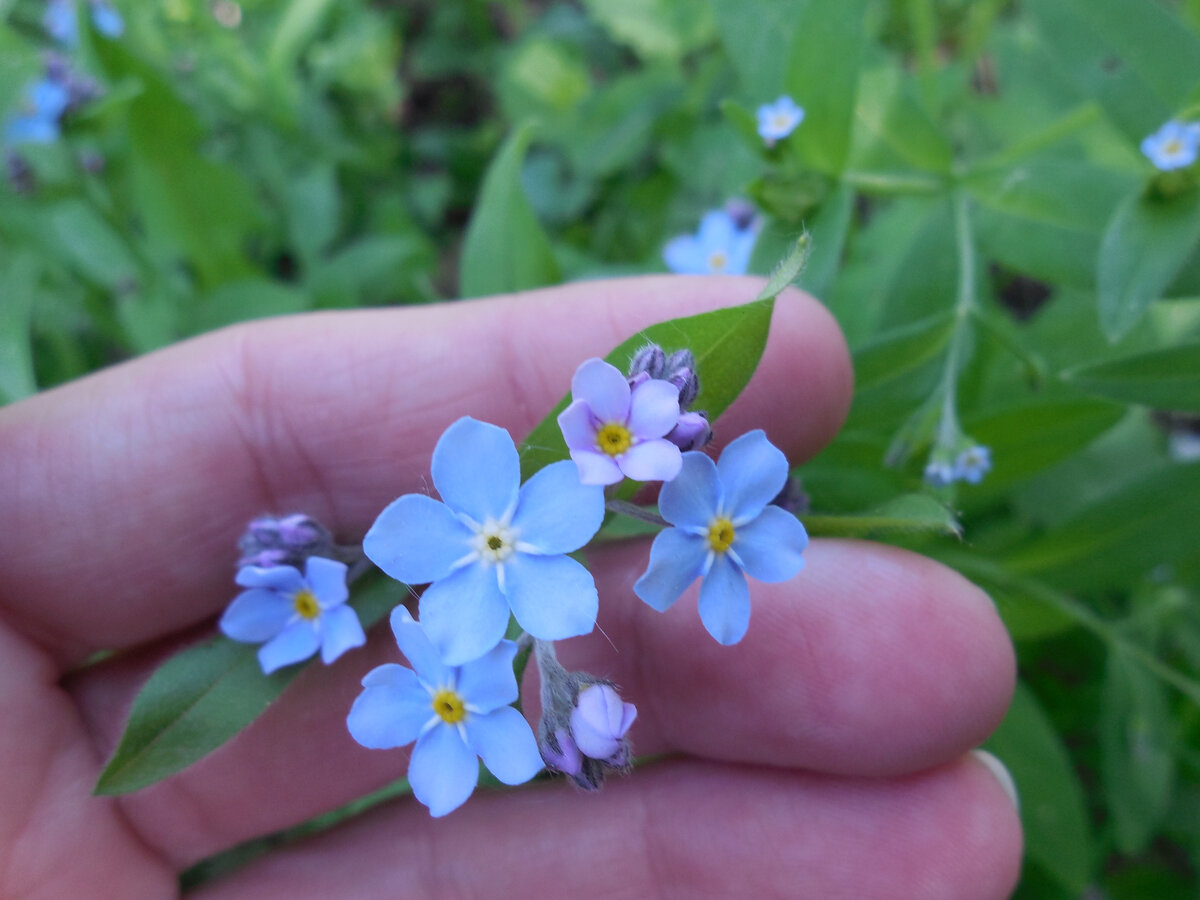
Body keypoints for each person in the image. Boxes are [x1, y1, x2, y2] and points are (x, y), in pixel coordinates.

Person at [0, 276, 1022, 898]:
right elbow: (464, 571)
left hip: (545, 554)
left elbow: (565, 556)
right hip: (485, 583)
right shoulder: (452, 570)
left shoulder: (566, 533)